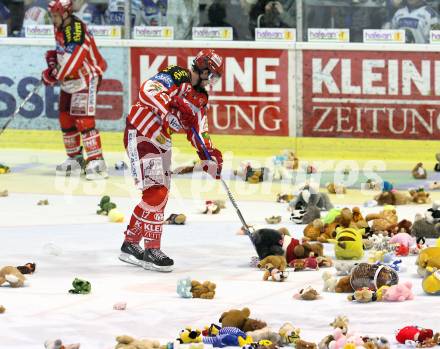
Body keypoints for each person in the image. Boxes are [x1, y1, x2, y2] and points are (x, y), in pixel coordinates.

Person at [119, 49, 224, 272]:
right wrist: (170, 109)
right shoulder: (177, 74)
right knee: (156, 192)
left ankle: (130, 244)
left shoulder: (202, 98)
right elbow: (148, 90)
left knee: (159, 196)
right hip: (142, 131)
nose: (213, 80)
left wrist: (209, 155)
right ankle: (152, 250)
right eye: (212, 74)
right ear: (203, 68)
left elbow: (199, 129)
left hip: (162, 140)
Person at [41, 0, 108, 179]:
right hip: (69, 79)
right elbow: (63, 54)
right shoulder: (60, 26)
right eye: (52, 16)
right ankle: (75, 159)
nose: (53, 19)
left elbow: (73, 61)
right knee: (65, 117)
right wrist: (54, 60)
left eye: (55, 15)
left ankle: (97, 162)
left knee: (83, 119)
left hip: (86, 78)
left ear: (65, 14)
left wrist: (53, 74)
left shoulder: (75, 30)